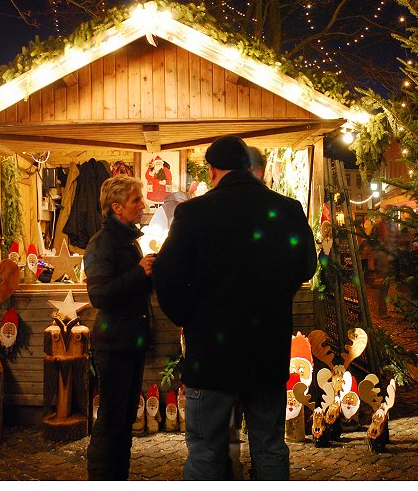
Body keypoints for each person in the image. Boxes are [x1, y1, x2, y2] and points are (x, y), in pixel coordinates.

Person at [153, 135, 316, 481]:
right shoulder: (287, 210)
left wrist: (187, 316)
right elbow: (306, 268)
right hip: (265, 350)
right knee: (270, 444)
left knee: (206, 450)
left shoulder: (193, 213)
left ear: (212, 170)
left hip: (210, 353)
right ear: (248, 166)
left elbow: (165, 274)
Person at [84, 175, 154, 480]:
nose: (142, 205)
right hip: (113, 345)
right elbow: (99, 295)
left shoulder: (128, 241)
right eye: (136, 200)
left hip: (130, 341)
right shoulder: (101, 243)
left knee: (125, 419)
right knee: (111, 420)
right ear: (116, 207)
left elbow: (132, 288)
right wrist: (140, 273)